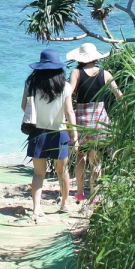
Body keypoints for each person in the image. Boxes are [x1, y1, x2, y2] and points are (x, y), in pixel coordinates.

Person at [21, 48, 78, 221]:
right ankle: (64, 204)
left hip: (38, 132)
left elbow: (24, 106)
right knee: (63, 171)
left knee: (39, 173)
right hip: (59, 133)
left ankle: (36, 208)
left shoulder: (31, 84)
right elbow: (69, 111)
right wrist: (74, 135)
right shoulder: (65, 86)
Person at [66, 42, 122, 204]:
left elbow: (68, 93)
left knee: (80, 157)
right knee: (96, 159)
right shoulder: (106, 74)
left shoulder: (76, 72)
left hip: (81, 119)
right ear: (95, 57)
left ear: (80, 58)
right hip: (100, 119)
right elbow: (119, 95)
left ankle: (79, 192)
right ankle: (93, 195)